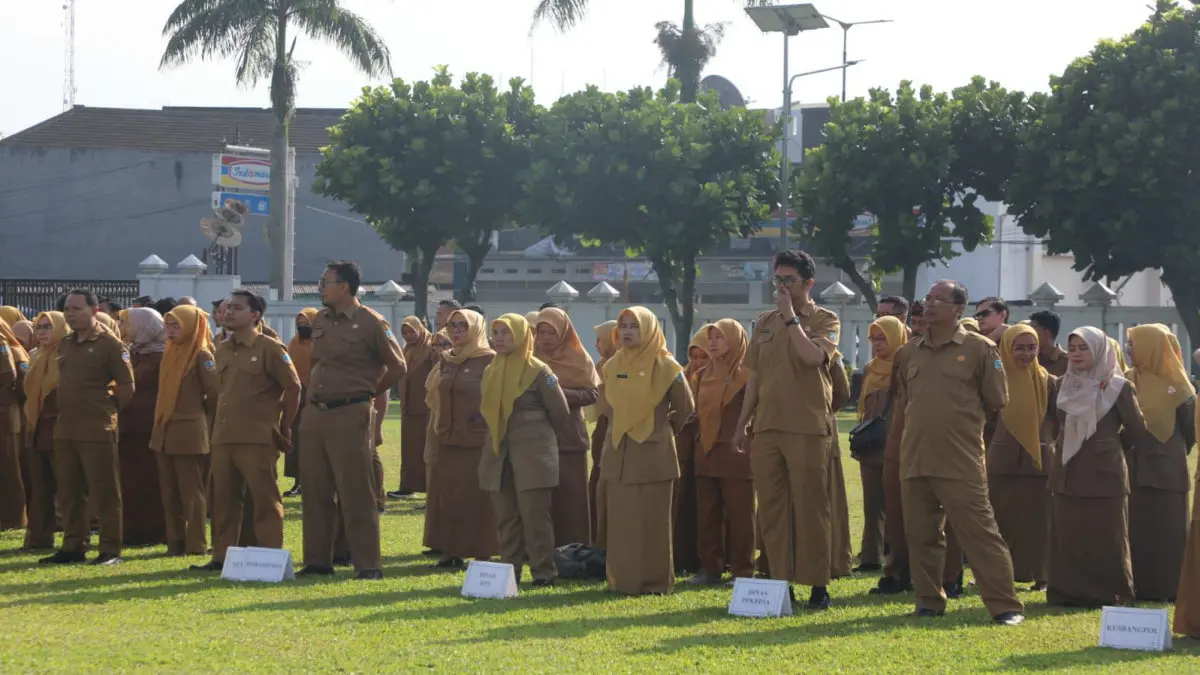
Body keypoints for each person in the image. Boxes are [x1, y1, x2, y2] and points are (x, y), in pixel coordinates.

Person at [890, 279, 1024, 625]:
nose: (930, 305)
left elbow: (996, 400)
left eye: (939, 299)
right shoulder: (907, 353)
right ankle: (928, 601)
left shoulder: (980, 350)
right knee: (921, 535)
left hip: (960, 458)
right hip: (916, 457)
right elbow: (905, 401)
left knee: (979, 533)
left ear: (958, 309)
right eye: (927, 299)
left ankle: (1004, 605)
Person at [733, 249, 841, 610]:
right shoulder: (763, 322)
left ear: (808, 283)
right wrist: (742, 424)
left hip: (807, 427)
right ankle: (780, 583)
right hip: (767, 428)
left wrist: (792, 318)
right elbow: (755, 378)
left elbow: (813, 358)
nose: (780, 286)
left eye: (789, 280)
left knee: (811, 506)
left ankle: (817, 585)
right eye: (777, 279)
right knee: (772, 508)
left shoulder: (825, 319)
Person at [299, 262, 405, 580]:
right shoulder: (321, 320)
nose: (320, 287)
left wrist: (369, 392)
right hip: (316, 412)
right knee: (315, 490)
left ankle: (367, 563)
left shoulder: (372, 323)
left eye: (324, 281)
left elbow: (398, 366)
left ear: (343, 286)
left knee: (356, 490)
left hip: (350, 412)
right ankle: (318, 559)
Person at [191, 290, 300, 572]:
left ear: (255, 315)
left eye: (237, 308)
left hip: (257, 437)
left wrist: (285, 424)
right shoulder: (223, 349)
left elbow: (293, 387)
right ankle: (221, 557)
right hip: (224, 436)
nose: (228, 313)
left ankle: (270, 558)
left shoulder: (270, 348)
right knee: (223, 501)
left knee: (264, 499)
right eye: (227, 308)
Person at [1047, 327, 1145, 607]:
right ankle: (1068, 592)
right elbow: (1055, 421)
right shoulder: (1061, 384)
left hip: (1104, 471)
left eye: (1084, 348)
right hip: (1068, 468)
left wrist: (1111, 444)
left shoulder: (1118, 386)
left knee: (1108, 534)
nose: (1077, 354)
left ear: (1100, 350)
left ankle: (1112, 593)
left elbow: (1138, 429)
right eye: (1073, 348)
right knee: (1069, 532)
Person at [600, 306, 693, 595]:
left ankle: (654, 582)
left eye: (634, 326)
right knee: (621, 520)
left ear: (650, 329)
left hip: (653, 452)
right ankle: (621, 580)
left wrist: (663, 430)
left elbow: (686, 407)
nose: (627, 331)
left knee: (653, 520)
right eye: (623, 325)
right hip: (619, 451)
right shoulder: (612, 365)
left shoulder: (667, 367)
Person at [40, 289, 135, 565]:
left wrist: (108, 410)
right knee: (69, 490)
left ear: (94, 311)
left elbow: (127, 386)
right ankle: (73, 545)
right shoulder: (67, 343)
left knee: (104, 490)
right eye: (67, 309)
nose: (70, 313)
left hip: (97, 427)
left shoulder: (110, 344)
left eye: (77, 308)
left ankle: (110, 549)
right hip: (66, 427)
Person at [479, 314, 573, 586]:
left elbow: (561, 412)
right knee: (506, 517)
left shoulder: (539, 370)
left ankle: (543, 572)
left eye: (506, 333)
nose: (499, 338)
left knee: (535, 517)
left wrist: (537, 439)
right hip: (499, 453)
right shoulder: (491, 370)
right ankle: (510, 573)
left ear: (521, 335)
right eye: (495, 332)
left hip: (533, 455)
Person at [1124, 323, 1195, 602]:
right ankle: (1138, 585)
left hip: (1167, 467)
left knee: (1169, 529)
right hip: (1133, 463)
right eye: (1128, 345)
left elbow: (1189, 431)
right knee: (1136, 527)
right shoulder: (1126, 380)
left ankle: (1170, 588)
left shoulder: (1179, 387)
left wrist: (1168, 451)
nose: (1129, 350)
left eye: (1134, 344)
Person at [424, 309, 498, 569]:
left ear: (477, 328)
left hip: (478, 440)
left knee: (479, 497)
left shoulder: (490, 359)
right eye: (452, 325)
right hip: (447, 437)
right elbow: (435, 395)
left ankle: (483, 552)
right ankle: (451, 551)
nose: (455, 331)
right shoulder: (447, 360)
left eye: (462, 326)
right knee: (449, 495)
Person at [986, 323, 1057, 592]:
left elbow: (1056, 418)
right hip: (1003, 459)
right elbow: (987, 418)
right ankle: (1002, 575)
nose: (1026, 354)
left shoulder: (1047, 381)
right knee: (1000, 519)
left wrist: (1043, 439)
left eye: (1032, 348)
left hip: (1038, 459)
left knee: (1039, 521)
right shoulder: (996, 378)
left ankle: (1041, 575)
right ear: (1007, 348)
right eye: (1020, 348)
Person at [686, 319, 755, 585]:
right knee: (707, 513)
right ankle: (710, 568)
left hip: (737, 452)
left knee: (740, 514)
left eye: (720, 338)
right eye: (710, 337)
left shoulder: (748, 375)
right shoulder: (702, 374)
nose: (713, 343)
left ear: (736, 341)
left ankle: (742, 570)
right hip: (706, 450)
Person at [152, 305, 219, 556]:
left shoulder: (202, 354)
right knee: (169, 491)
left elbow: (214, 393)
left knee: (192, 492)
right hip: (164, 429)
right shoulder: (170, 352)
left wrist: (198, 414)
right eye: (167, 325)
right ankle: (175, 542)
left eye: (176, 325)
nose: (169, 331)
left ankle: (196, 543)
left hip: (189, 430)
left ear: (191, 325)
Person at [533, 307, 600, 546]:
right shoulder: (530, 358)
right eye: (540, 332)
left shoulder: (579, 358)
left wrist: (557, 395)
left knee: (571, 497)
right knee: (540, 497)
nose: (545, 338)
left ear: (564, 332)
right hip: (536, 435)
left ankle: (574, 547)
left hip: (569, 434)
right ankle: (540, 548)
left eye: (551, 333)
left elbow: (593, 393)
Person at [854, 316, 906, 574]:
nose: (876, 344)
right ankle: (870, 557)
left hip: (899, 444)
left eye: (882, 338)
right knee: (872, 505)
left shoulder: (905, 367)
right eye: (873, 339)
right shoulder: (870, 369)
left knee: (898, 505)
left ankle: (897, 559)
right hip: (871, 444)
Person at [118, 308, 169, 546]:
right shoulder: (132, 352)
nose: (121, 327)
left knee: (149, 480)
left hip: (148, 425)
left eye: (126, 322)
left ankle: (153, 532)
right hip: (128, 425)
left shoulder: (164, 356)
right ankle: (130, 530)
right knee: (129, 480)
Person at [21, 312, 69, 550]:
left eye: (47, 327)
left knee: (68, 486)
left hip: (60, 426)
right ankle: (39, 538)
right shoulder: (34, 355)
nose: (41, 331)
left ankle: (73, 539)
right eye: (38, 327)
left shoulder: (67, 356)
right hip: (36, 425)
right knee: (39, 487)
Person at [673, 326, 710, 574]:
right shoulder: (681, 377)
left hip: (708, 451)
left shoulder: (723, 377)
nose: (696, 363)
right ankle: (682, 557)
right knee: (682, 504)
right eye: (693, 357)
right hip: (684, 451)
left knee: (706, 506)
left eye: (703, 357)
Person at [389, 316, 434, 498]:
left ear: (420, 329)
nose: (408, 336)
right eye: (405, 333)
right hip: (408, 408)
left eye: (411, 331)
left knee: (426, 448)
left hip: (426, 408)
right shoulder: (406, 350)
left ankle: (430, 488)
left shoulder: (431, 348)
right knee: (409, 449)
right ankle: (408, 486)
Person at [588, 320, 618, 546]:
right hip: (602, 430)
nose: (597, 345)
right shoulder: (601, 365)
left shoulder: (619, 366)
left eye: (601, 339)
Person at [283, 308, 319, 497]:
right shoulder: (293, 343)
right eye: (299, 324)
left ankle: (313, 482)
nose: (302, 327)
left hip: (316, 396)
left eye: (306, 324)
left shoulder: (321, 344)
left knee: (312, 442)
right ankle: (298, 481)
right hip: (296, 396)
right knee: (295, 440)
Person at [0, 316, 30, 531]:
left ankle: (12, 519)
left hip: (6, 412)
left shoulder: (5, 345)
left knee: (8, 466)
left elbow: (9, 376)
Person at [827, 354, 855, 578]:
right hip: (782, 433)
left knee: (827, 498)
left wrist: (822, 412)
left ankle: (832, 559)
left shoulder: (831, 357)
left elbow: (841, 394)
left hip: (820, 432)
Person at [1028, 310, 1068, 377]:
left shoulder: (1067, 362)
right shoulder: (1030, 358)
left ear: (1046, 332)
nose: (1029, 333)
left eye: (1033, 329)